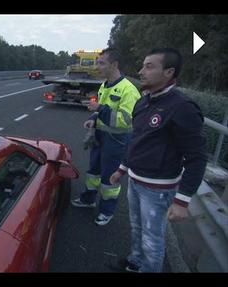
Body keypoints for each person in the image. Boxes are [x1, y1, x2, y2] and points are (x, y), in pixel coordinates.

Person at [110, 48, 207, 272]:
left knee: (152, 239)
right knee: (136, 228)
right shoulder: (143, 103)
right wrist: (122, 169)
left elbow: (197, 157)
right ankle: (135, 262)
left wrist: (182, 200)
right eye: (143, 65)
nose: (141, 71)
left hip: (158, 189)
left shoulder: (182, 108)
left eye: (149, 66)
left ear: (169, 72)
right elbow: (137, 141)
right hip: (134, 180)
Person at [71, 47, 141, 226]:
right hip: (99, 137)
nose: (97, 67)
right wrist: (92, 119)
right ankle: (88, 200)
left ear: (114, 65)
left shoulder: (129, 90)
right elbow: (101, 108)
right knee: (93, 171)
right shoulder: (104, 86)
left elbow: (125, 121)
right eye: (97, 63)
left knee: (110, 178)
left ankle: (107, 211)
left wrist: (99, 109)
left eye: (102, 63)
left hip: (116, 141)